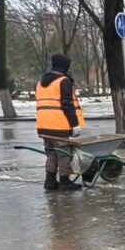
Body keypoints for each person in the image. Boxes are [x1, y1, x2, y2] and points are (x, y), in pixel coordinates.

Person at [35, 54, 86, 191]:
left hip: (43, 125)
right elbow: (67, 104)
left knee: (51, 152)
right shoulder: (63, 81)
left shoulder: (40, 82)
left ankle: (50, 181)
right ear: (64, 66)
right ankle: (65, 181)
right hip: (59, 125)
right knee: (64, 153)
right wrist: (74, 124)